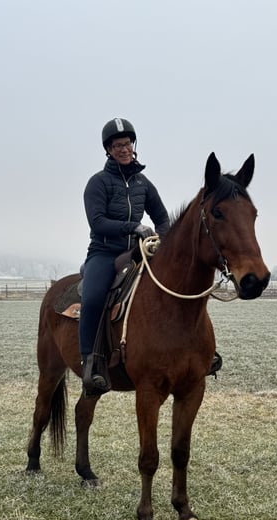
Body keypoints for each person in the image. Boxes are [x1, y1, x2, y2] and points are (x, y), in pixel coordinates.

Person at [79, 117, 170, 395]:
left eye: (127, 143)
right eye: (117, 145)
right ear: (108, 150)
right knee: (93, 298)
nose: (124, 149)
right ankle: (91, 363)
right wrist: (133, 227)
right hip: (105, 253)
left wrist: (162, 240)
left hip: (138, 252)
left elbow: (162, 218)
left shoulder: (143, 183)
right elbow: (97, 222)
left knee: (174, 283)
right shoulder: (98, 183)